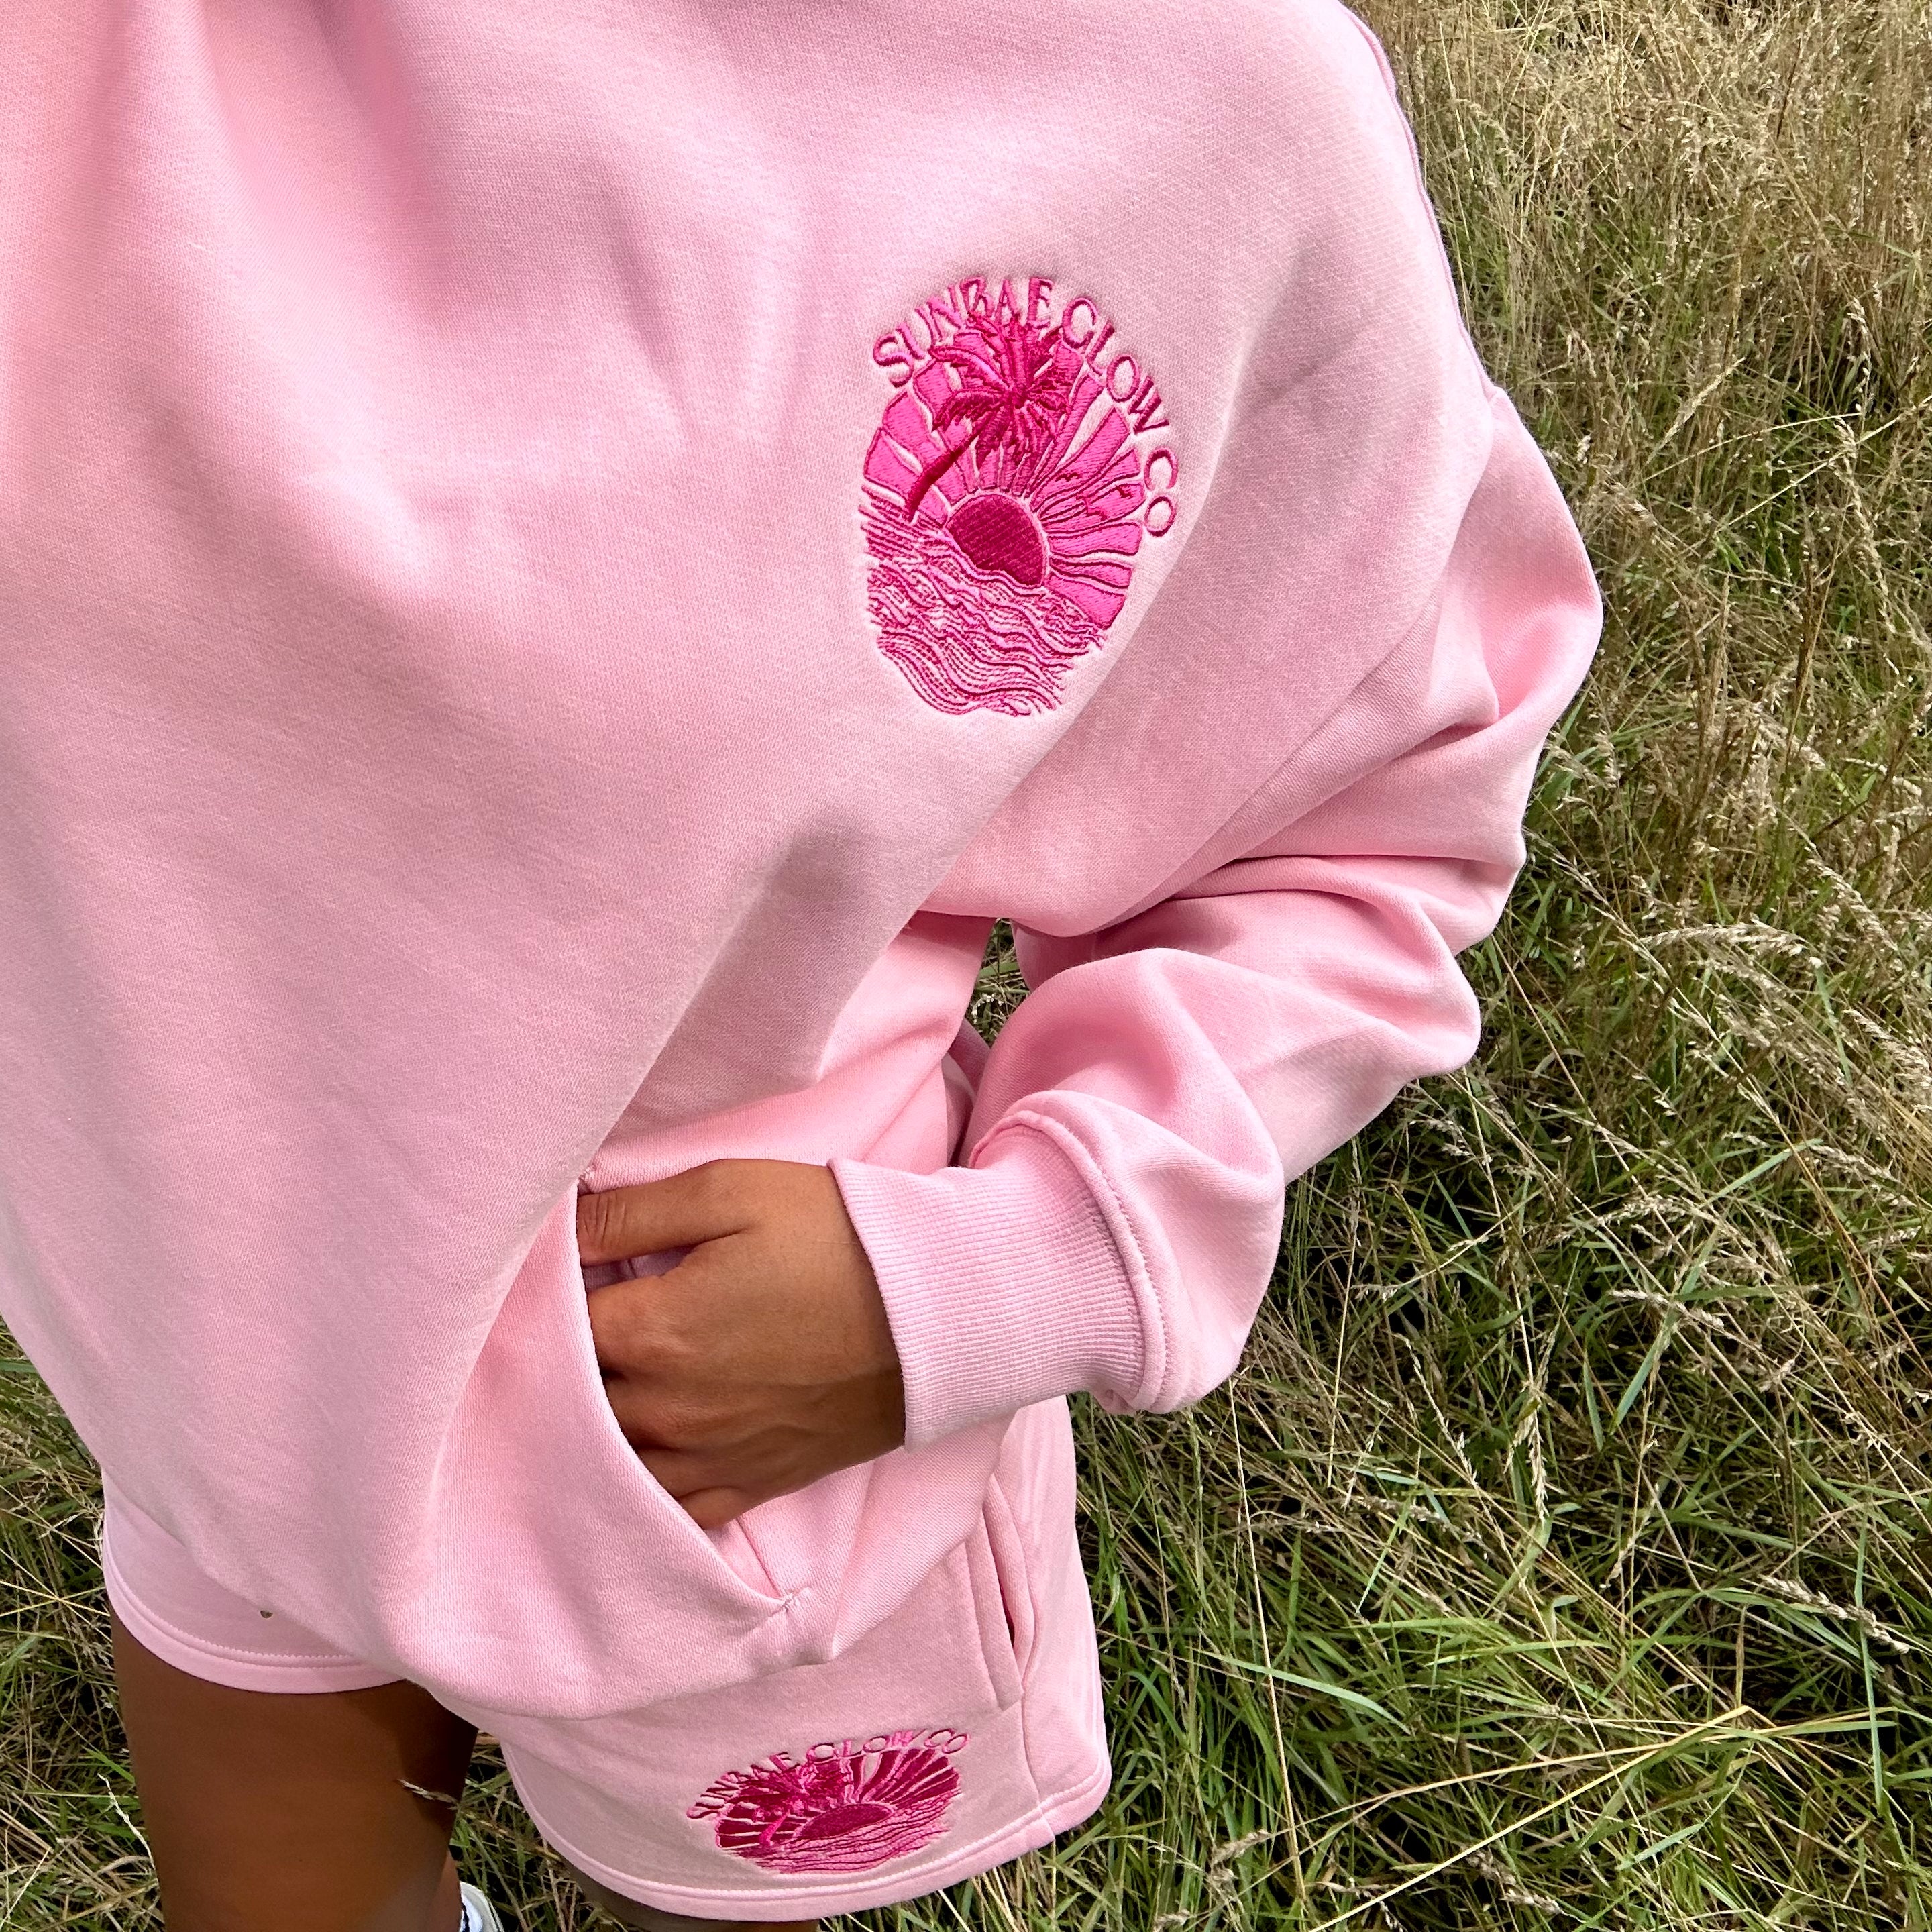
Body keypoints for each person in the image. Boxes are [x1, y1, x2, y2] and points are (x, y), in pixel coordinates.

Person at [0, 1, 1601, 1926]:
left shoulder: (1201, 94)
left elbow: (1377, 814)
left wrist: (997, 1270)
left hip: (736, 1455)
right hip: (213, 1387)